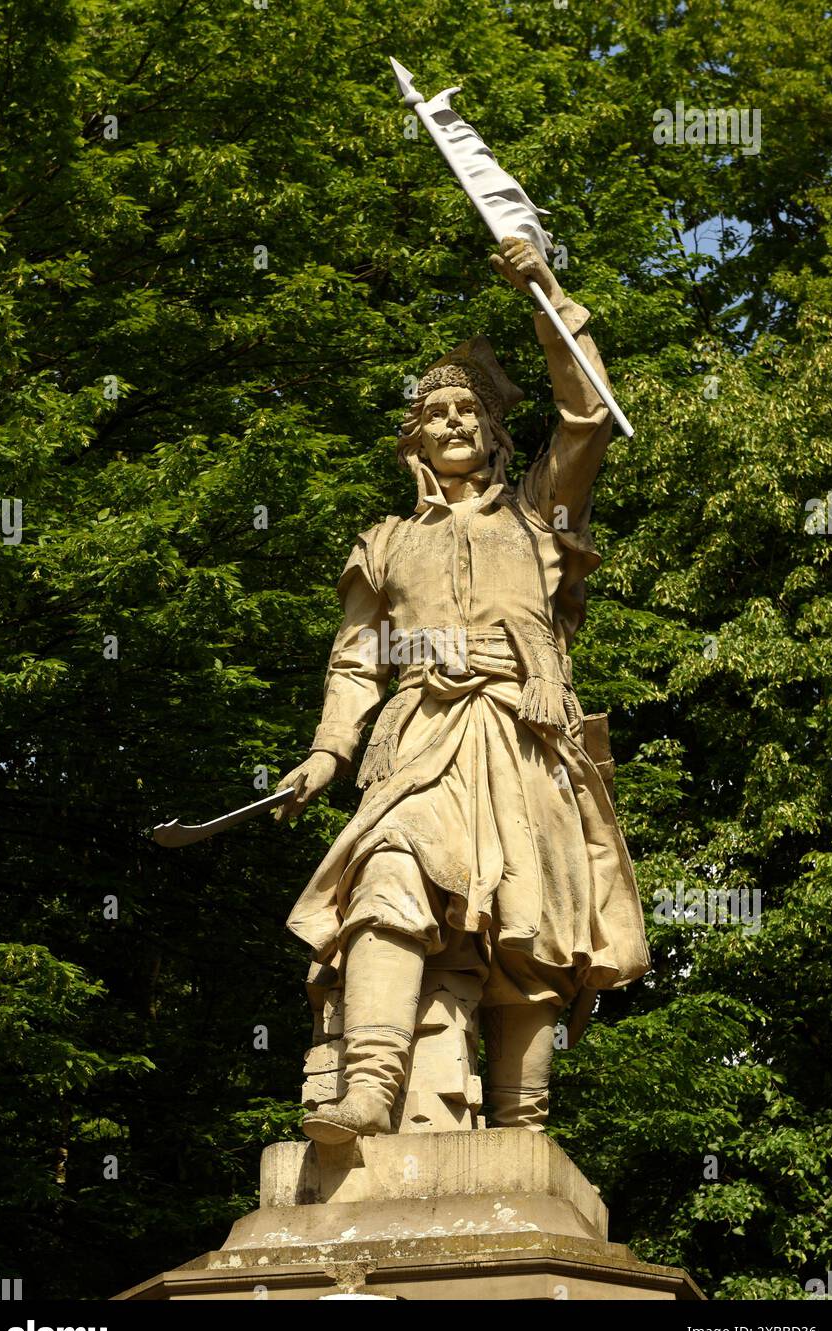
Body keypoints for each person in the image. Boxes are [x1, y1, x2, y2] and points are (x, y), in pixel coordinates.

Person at [278, 236, 649, 1145]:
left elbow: (587, 420)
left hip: (524, 740)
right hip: (418, 738)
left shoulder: (538, 516)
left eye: (466, 411)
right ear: (414, 438)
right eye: (433, 413)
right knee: (388, 873)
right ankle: (366, 1090)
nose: (451, 423)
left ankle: (524, 1134)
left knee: (532, 942)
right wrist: (326, 753)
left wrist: (545, 291)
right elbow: (356, 659)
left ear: (490, 431)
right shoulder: (384, 543)